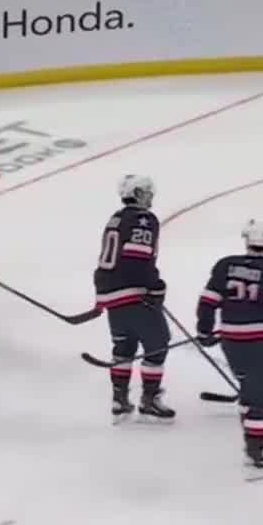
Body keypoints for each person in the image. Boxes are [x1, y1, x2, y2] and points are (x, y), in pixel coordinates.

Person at [195, 220, 263, 478]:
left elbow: (208, 301)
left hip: (231, 339)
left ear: (246, 239)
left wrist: (204, 331)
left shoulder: (226, 264)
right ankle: (254, 454)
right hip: (260, 339)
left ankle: (254, 439)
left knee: (248, 388)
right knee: (259, 399)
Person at [94, 174, 174, 422]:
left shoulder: (116, 218)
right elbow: (137, 256)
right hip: (133, 290)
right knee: (159, 342)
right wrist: (154, 286)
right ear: (137, 193)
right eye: (147, 192)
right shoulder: (144, 219)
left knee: (124, 347)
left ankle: (119, 400)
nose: (151, 197)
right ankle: (149, 399)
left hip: (110, 291)